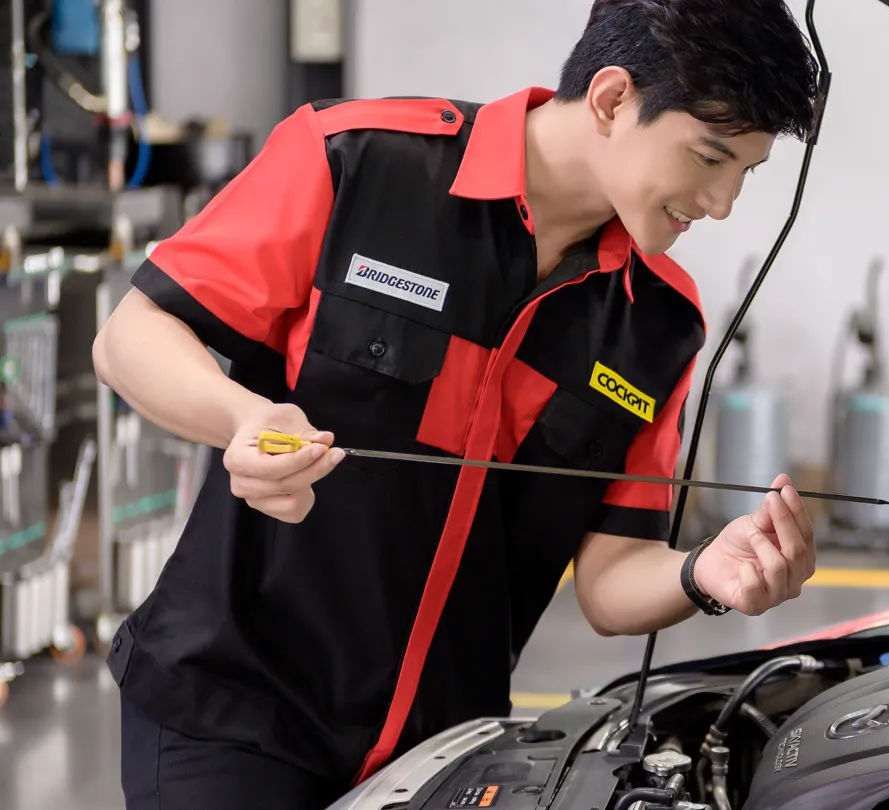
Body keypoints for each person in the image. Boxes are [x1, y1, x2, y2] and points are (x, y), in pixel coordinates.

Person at [91, 1, 823, 807]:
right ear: (614, 99)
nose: (720, 204)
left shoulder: (658, 323)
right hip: (233, 713)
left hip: (444, 752)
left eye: (745, 173)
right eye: (709, 158)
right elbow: (131, 335)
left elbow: (609, 579)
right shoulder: (357, 161)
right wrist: (242, 418)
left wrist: (702, 573)